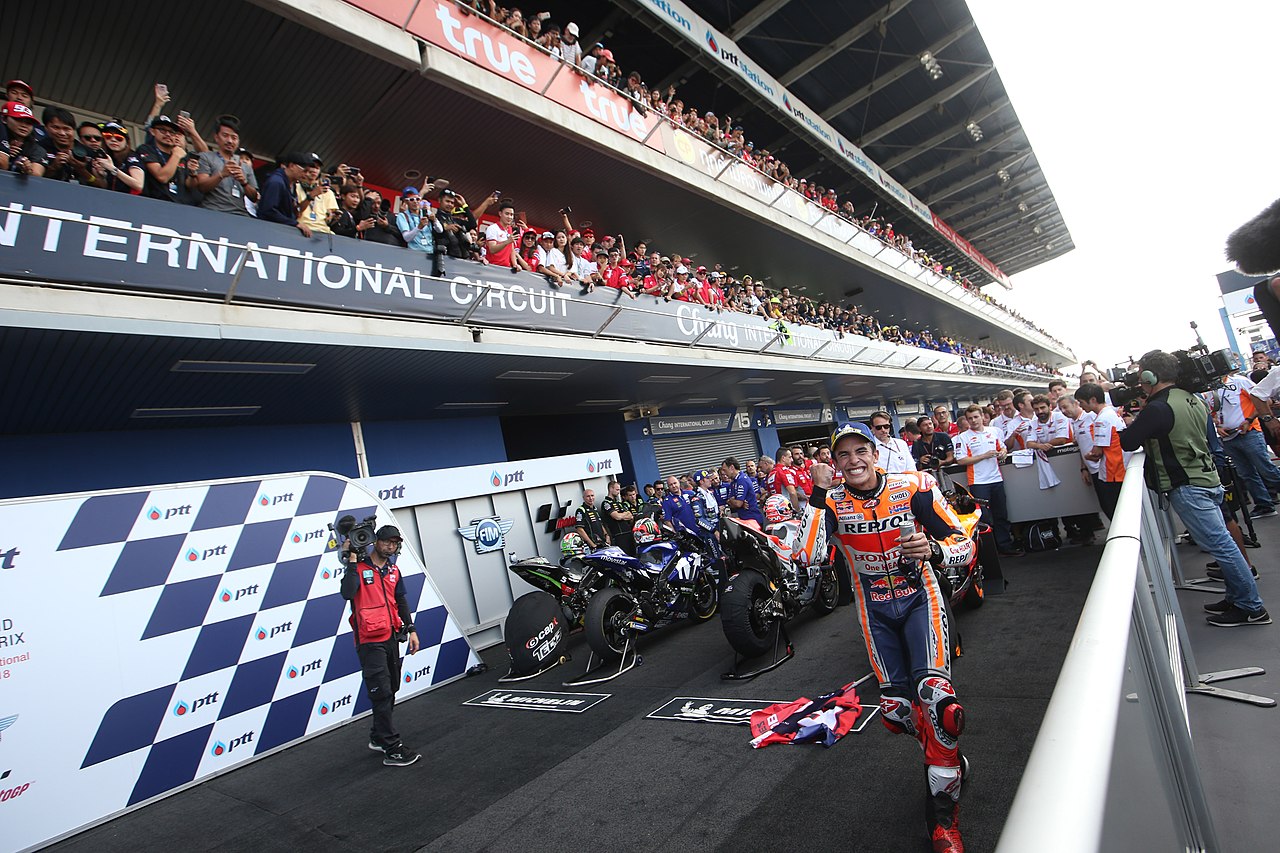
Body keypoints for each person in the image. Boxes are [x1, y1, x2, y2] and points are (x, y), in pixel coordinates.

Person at [810, 423, 974, 853]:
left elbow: (963, 541)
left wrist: (935, 551)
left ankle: (943, 823)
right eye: (843, 455)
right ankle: (947, 757)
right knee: (898, 714)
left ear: (876, 453)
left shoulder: (915, 485)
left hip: (922, 600)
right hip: (875, 612)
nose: (853, 460)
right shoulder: (830, 500)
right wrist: (814, 498)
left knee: (939, 702)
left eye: (861, 450)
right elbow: (810, 559)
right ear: (835, 463)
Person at [1119, 351, 1270, 626]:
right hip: (1206, 478)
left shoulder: (1158, 408)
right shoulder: (1192, 398)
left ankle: (1251, 607)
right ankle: (1237, 597)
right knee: (1224, 543)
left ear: (1149, 376)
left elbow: (1128, 441)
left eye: (1141, 376)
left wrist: (1131, 420)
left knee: (1223, 547)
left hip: (1187, 484)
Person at [339, 525, 421, 767]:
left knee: (392, 687)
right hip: (369, 641)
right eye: (387, 542)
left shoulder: (394, 570)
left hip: (392, 637)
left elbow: (401, 601)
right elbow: (347, 593)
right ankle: (392, 747)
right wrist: (352, 561)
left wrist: (411, 629)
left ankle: (377, 735)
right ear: (376, 542)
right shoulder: (358, 569)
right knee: (382, 691)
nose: (391, 547)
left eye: (395, 543)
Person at [1210, 369, 1280, 518]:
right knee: (1246, 474)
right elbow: (1211, 413)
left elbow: (1262, 399)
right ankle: (1264, 505)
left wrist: (1249, 420)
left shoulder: (1240, 381)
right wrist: (1217, 426)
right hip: (1228, 438)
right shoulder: (1207, 391)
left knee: (1266, 469)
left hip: (1250, 432)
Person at [954, 404, 1021, 556]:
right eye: (970, 418)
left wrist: (1002, 453)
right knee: (984, 518)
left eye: (976, 417)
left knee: (1001, 514)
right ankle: (990, 552)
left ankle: (1005, 546)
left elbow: (1003, 448)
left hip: (996, 478)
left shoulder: (994, 431)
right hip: (978, 482)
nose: (973, 421)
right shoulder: (963, 437)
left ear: (983, 416)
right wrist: (984, 456)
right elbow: (961, 460)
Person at [1074, 384, 1127, 519]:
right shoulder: (1110, 413)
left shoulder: (1102, 419)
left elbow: (1097, 452)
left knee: (1115, 512)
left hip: (1113, 472)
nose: (1081, 406)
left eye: (1081, 402)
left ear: (1092, 400)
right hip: (1119, 468)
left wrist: (1088, 456)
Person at [193, 115, 258, 216]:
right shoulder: (205, 157)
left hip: (240, 214)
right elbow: (202, 187)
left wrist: (244, 183)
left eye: (234, 137)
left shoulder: (245, 166)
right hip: (212, 211)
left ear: (238, 141)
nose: (230, 141)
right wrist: (222, 174)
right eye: (225, 135)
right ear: (216, 137)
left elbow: (254, 198)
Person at [257, 152, 312, 236]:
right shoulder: (276, 182)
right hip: (268, 231)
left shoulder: (292, 184)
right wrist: (294, 223)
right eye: (305, 170)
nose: (307, 175)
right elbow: (268, 211)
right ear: (292, 166)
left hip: (281, 229)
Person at [396, 186, 446, 277]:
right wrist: (419, 227)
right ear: (406, 201)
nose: (415, 201)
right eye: (412, 199)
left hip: (430, 255)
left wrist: (434, 220)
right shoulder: (402, 216)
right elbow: (406, 238)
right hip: (414, 254)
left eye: (417, 199)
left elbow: (440, 230)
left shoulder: (426, 212)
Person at [90, 120, 145, 194]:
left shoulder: (132, 157)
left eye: (119, 138)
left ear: (127, 142)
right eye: (108, 136)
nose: (113, 140)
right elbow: (105, 187)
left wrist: (112, 169)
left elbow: (138, 185)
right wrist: (100, 176)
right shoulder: (108, 158)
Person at [721, 456, 765, 526]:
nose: (724, 473)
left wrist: (734, 501)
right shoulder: (733, 482)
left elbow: (738, 504)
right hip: (744, 520)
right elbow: (729, 502)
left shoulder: (742, 480)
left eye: (725, 470)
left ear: (732, 468)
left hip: (752, 520)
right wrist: (733, 501)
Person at [600, 480, 635, 555]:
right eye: (617, 490)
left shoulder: (619, 503)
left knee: (634, 554)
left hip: (628, 533)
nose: (618, 492)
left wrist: (621, 515)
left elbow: (630, 515)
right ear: (611, 489)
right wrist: (623, 515)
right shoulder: (606, 503)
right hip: (619, 536)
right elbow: (616, 517)